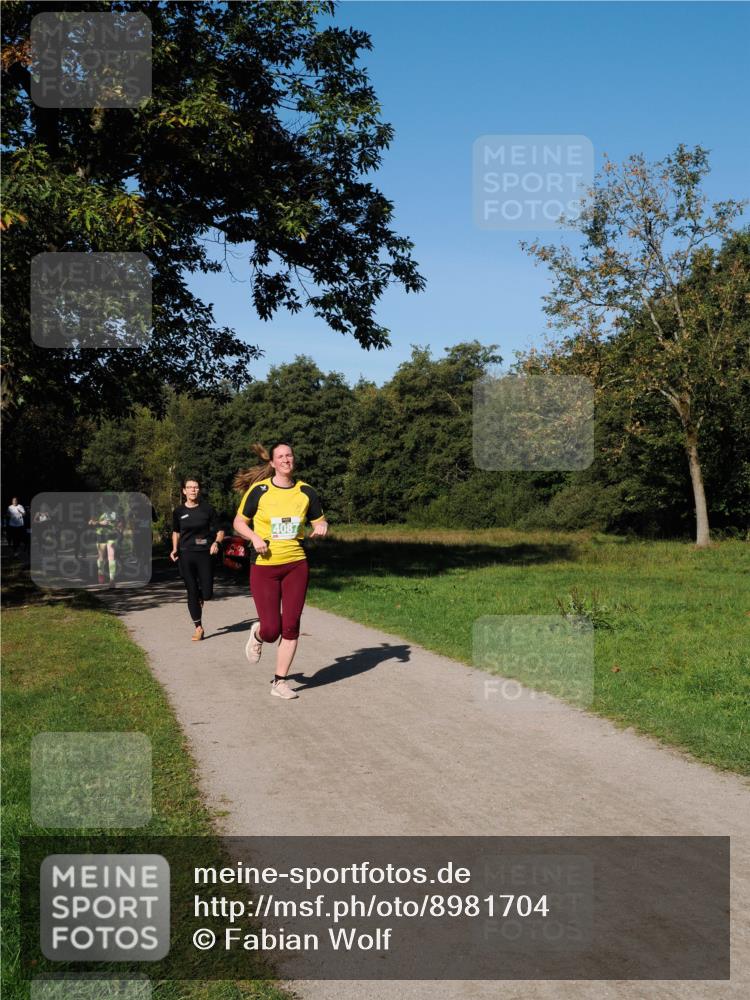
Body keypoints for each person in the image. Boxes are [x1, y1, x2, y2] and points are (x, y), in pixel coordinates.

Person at [232, 442, 328, 700]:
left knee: (291, 625)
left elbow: (320, 521)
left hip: (296, 564)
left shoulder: (306, 492)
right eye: (281, 456)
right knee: (272, 629)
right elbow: (239, 522)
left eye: (289, 455)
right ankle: (258, 633)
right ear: (273, 463)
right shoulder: (259, 491)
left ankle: (280, 681)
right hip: (265, 566)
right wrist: (253, 537)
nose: (286, 459)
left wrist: (321, 528)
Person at [170, 477, 224, 641]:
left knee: (206, 594)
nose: (193, 490)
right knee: (191, 590)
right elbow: (176, 532)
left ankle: (202, 596)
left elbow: (220, 531)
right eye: (189, 487)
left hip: (205, 554)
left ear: (199, 490)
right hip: (186, 554)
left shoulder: (207, 510)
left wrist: (216, 543)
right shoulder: (178, 512)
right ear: (184, 491)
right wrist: (174, 549)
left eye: (196, 487)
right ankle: (198, 627)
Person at [89, 497, 123, 586]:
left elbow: (120, 522)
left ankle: (112, 580)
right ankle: (100, 572)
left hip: (112, 535)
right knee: (101, 558)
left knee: (111, 556)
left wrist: (119, 528)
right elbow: (90, 522)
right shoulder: (98, 510)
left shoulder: (116, 511)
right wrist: (100, 523)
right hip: (100, 535)